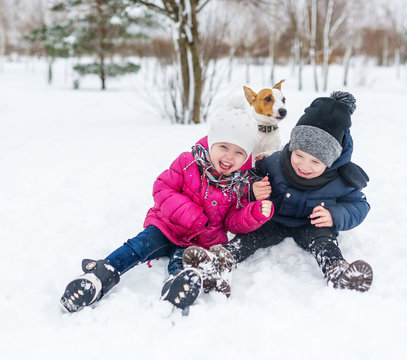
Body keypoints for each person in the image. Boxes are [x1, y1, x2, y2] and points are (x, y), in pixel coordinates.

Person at [60, 109, 274, 312]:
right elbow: (163, 187)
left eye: (239, 152)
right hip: (165, 227)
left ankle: (177, 285)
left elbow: (232, 223)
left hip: (199, 241)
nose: (230, 157)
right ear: (211, 143)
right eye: (224, 147)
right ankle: (98, 276)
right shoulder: (188, 162)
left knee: (183, 261)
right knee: (137, 246)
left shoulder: (241, 185)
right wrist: (189, 213)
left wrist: (254, 213)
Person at [181, 91, 373, 294]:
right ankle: (220, 260)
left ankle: (337, 270)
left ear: (331, 161)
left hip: (312, 225)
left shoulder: (340, 180)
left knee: (325, 242)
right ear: (291, 147)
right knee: (251, 236)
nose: (304, 166)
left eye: (316, 162)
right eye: (299, 155)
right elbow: (249, 179)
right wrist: (254, 189)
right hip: (274, 219)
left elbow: (359, 205)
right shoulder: (274, 163)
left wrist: (335, 215)